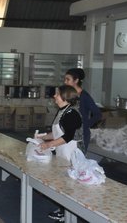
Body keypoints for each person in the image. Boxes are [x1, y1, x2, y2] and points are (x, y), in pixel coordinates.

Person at [38, 85, 83, 223]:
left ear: (65, 96)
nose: (54, 96)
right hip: (62, 151)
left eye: (57, 94)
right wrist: (43, 136)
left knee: (70, 183)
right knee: (63, 181)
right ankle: (63, 209)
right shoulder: (62, 111)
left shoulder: (72, 114)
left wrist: (49, 144)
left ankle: (67, 213)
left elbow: (68, 136)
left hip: (71, 152)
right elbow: (58, 132)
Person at [64, 68, 101, 152]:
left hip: (81, 136)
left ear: (76, 80)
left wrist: (85, 125)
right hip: (70, 133)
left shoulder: (84, 97)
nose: (65, 82)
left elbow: (98, 114)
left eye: (68, 79)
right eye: (65, 79)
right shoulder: (71, 96)